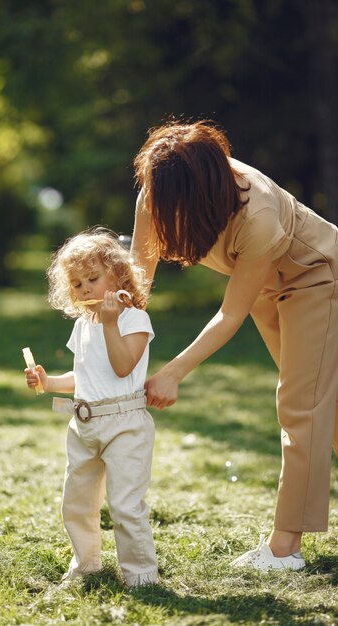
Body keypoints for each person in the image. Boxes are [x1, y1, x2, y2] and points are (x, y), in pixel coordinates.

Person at [130, 119, 338, 571]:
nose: (156, 206)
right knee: (328, 407)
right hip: (268, 285)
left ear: (203, 190)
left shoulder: (256, 212)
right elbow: (140, 273)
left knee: (301, 405)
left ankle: (285, 550)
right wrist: (118, 337)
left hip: (316, 276)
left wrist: (173, 372)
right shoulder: (160, 189)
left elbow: (229, 315)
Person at [25, 229, 158, 587]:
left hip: (124, 424)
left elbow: (121, 366)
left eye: (93, 278)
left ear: (118, 274)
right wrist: (48, 381)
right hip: (84, 423)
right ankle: (86, 563)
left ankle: (141, 574)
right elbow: (84, 373)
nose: (85, 289)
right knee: (77, 501)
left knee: (125, 504)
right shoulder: (85, 325)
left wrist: (111, 323)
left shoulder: (132, 320)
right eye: (77, 283)